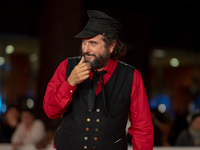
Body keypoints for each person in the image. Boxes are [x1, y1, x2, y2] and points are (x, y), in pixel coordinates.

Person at [43, 10, 154, 150]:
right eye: (84, 43)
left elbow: (142, 128)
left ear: (111, 46)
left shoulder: (131, 76)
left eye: (93, 43)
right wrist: (70, 82)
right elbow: (50, 112)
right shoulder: (67, 67)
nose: (86, 49)